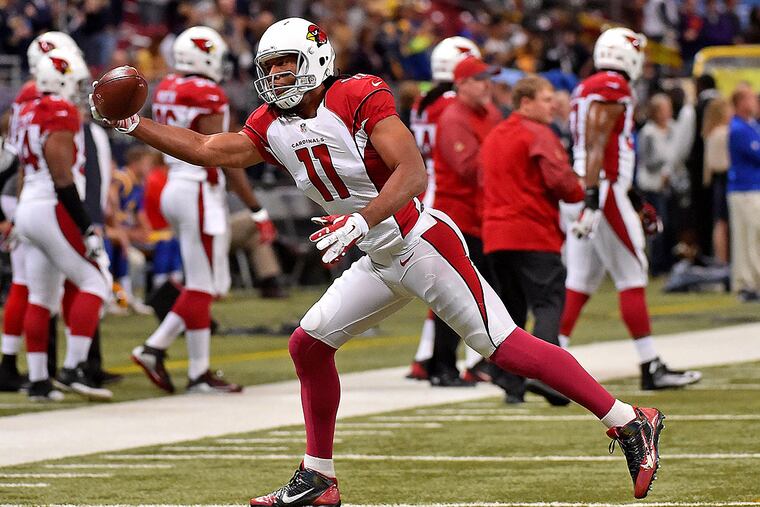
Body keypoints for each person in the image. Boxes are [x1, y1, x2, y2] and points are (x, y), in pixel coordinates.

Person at [92, 17, 667, 503]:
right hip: (375, 252)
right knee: (308, 343)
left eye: (287, 65)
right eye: (270, 68)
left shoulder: (356, 93)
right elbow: (206, 148)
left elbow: (411, 174)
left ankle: (627, 419)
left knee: (503, 346)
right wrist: (131, 125)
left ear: (317, 59)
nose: (276, 77)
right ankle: (318, 477)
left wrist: (360, 220)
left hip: (419, 240)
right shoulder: (271, 123)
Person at [129, 26, 275, 394]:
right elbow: (223, 156)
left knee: (201, 283)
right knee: (207, 286)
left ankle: (198, 370)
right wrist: (255, 208)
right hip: (197, 189)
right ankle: (155, 347)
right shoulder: (208, 93)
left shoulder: (166, 86)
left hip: (174, 185)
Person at [560, 27, 701, 391]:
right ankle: (650, 364)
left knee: (580, 280)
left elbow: (598, 146)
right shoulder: (611, 86)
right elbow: (596, 142)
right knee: (633, 274)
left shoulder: (588, 86)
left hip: (593, 186)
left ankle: (551, 363)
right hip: (600, 189)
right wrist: (596, 196)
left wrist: (629, 194)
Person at [14, 48, 112, 402]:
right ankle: (72, 368)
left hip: (30, 206)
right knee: (96, 281)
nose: (79, 89)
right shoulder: (59, 111)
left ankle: (39, 381)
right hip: (52, 206)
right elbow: (62, 176)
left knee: (41, 296)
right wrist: (86, 225)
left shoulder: (25, 109)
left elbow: (24, 169)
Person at [481, 75, 584, 405]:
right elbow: (564, 185)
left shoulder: (495, 135)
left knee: (511, 312)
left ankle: (510, 383)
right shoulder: (539, 133)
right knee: (548, 302)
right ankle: (547, 376)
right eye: (545, 98)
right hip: (532, 232)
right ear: (525, 103)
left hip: (496, 234)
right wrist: (579, 186)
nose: (552, 104)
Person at [0, 31, 83, 393]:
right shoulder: (49, 101)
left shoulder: (28, 97)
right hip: (39, 193)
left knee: (32, 286)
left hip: (26, 193)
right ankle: (59, 367)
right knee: (35, 285)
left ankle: (26, 368)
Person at [405, 35, 480, 381]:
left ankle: (425, 357)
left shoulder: (423, 99)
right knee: (450, 285)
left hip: (424, 189)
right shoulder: (449, 103)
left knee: (440, 284)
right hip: (445, 191)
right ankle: (440, 360)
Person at [424, 54, 502, 387]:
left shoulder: (488, 113)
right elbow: (469, 168)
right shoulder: (454, 117)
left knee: (481, 294)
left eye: (489, 78)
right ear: (462, 84)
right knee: (456, 295)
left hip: (481, 217)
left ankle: (468, 363)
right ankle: (442, 365)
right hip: (457, 220)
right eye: (480, 79)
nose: (488, 85)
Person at [727, 85, 760, 302]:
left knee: (755, 236)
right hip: (744, 189)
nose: (755, 102)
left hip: (753, 187)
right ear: (740, 103)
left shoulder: (752, 126)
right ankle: (746, 283)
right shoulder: (738, 129)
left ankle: (752, 281)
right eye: (750, 98)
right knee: (747, 237)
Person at [702, 97, 731, 265]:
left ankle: (721, 259)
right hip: (725, 178)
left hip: (717, 181)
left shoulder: (710, 133)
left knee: (720, 223)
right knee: (723, 224)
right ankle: (723, 259)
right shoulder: (722, 133)